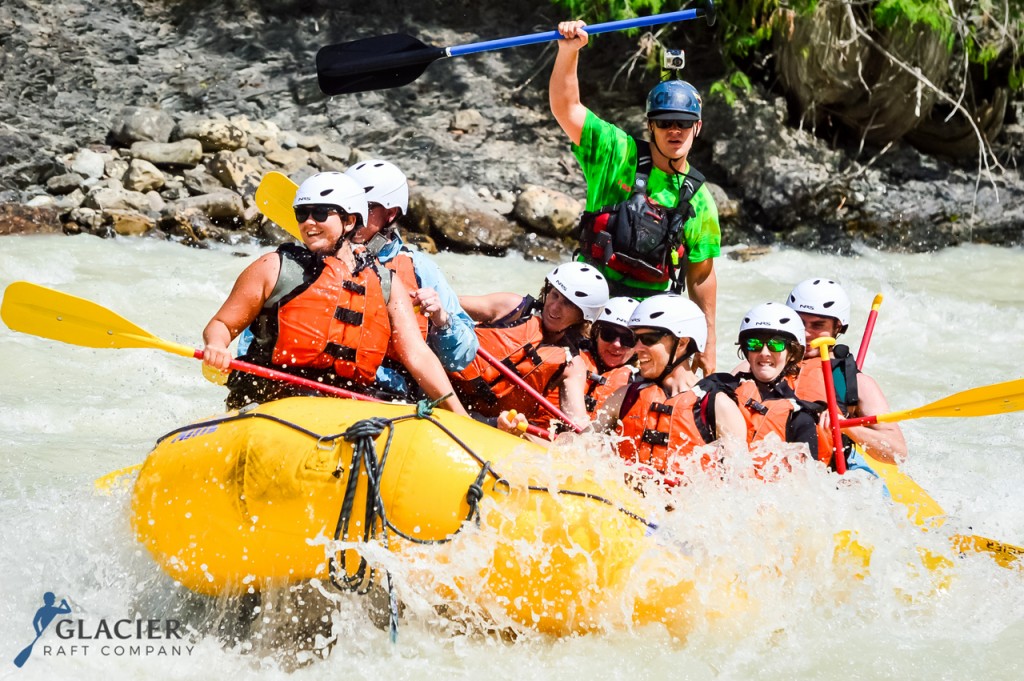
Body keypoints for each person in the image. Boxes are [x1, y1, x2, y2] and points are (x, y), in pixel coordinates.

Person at [201, 171, 466, 416]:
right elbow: (222, 324)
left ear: (350, 221)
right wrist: (216, 346)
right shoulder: (274, 267)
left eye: (319, 213)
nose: (308, 223)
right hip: (272, 400)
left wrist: (459, 416)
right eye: (301, 214)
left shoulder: (386, 283)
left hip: (345, 407)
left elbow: (417, 355)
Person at [550, 20, 721, 375]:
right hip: (588, 300)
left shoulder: (700, 200)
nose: (675, 131)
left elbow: (701, 277)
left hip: (643, 320)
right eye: (665, 122)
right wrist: (569, 52)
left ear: (697, 127)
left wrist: (708, 345)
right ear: (650, 126)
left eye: (684, 123)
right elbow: (567, 109)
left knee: (676, 376)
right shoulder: (617, 153)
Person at [559, 294, 746, 481]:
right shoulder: (625, 396)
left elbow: (741, 485)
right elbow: (582, 447)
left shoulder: (717, 406)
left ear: (682, 342)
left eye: (648, 339)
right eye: (635, 338)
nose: (637, 348)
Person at [343, 159, 478, 397]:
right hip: (325, 379)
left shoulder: (421, 269)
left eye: (365, 207)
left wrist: (441, 319)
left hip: (388, 392)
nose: (352, 215)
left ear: (390, 214)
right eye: (346, 205)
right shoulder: (319, 255)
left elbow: (461, 359)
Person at [454, 262, 609, 422]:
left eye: (567, 303)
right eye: (554, 295)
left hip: (490, 422)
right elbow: (449, 304)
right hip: (445, 387)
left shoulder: (572, 365)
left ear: (582, 316)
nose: (554, 307)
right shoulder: (512, 308)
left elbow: (577, 422)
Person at [784, 278, 907, 464]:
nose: (806, 333)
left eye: (818, 325)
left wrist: (847, 427)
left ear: (837, 327)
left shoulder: (856, 383)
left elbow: (898, 453)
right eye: (800, 323)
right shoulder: (764, 364)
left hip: (830, 471)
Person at [732, 302, 829, 470]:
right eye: (754, 344)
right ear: (746, 351)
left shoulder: (800, 418)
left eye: (776, 344)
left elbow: (806, 486)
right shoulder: (723, 392)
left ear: (792, 353)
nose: (764, 352)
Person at [549, 296, 638, 429]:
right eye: (608, 334)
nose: (616, 344)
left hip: (585, 446)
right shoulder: (568, 353)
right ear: (596, 333)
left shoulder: (638, 384)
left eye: (627, 339)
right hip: (538, 433)